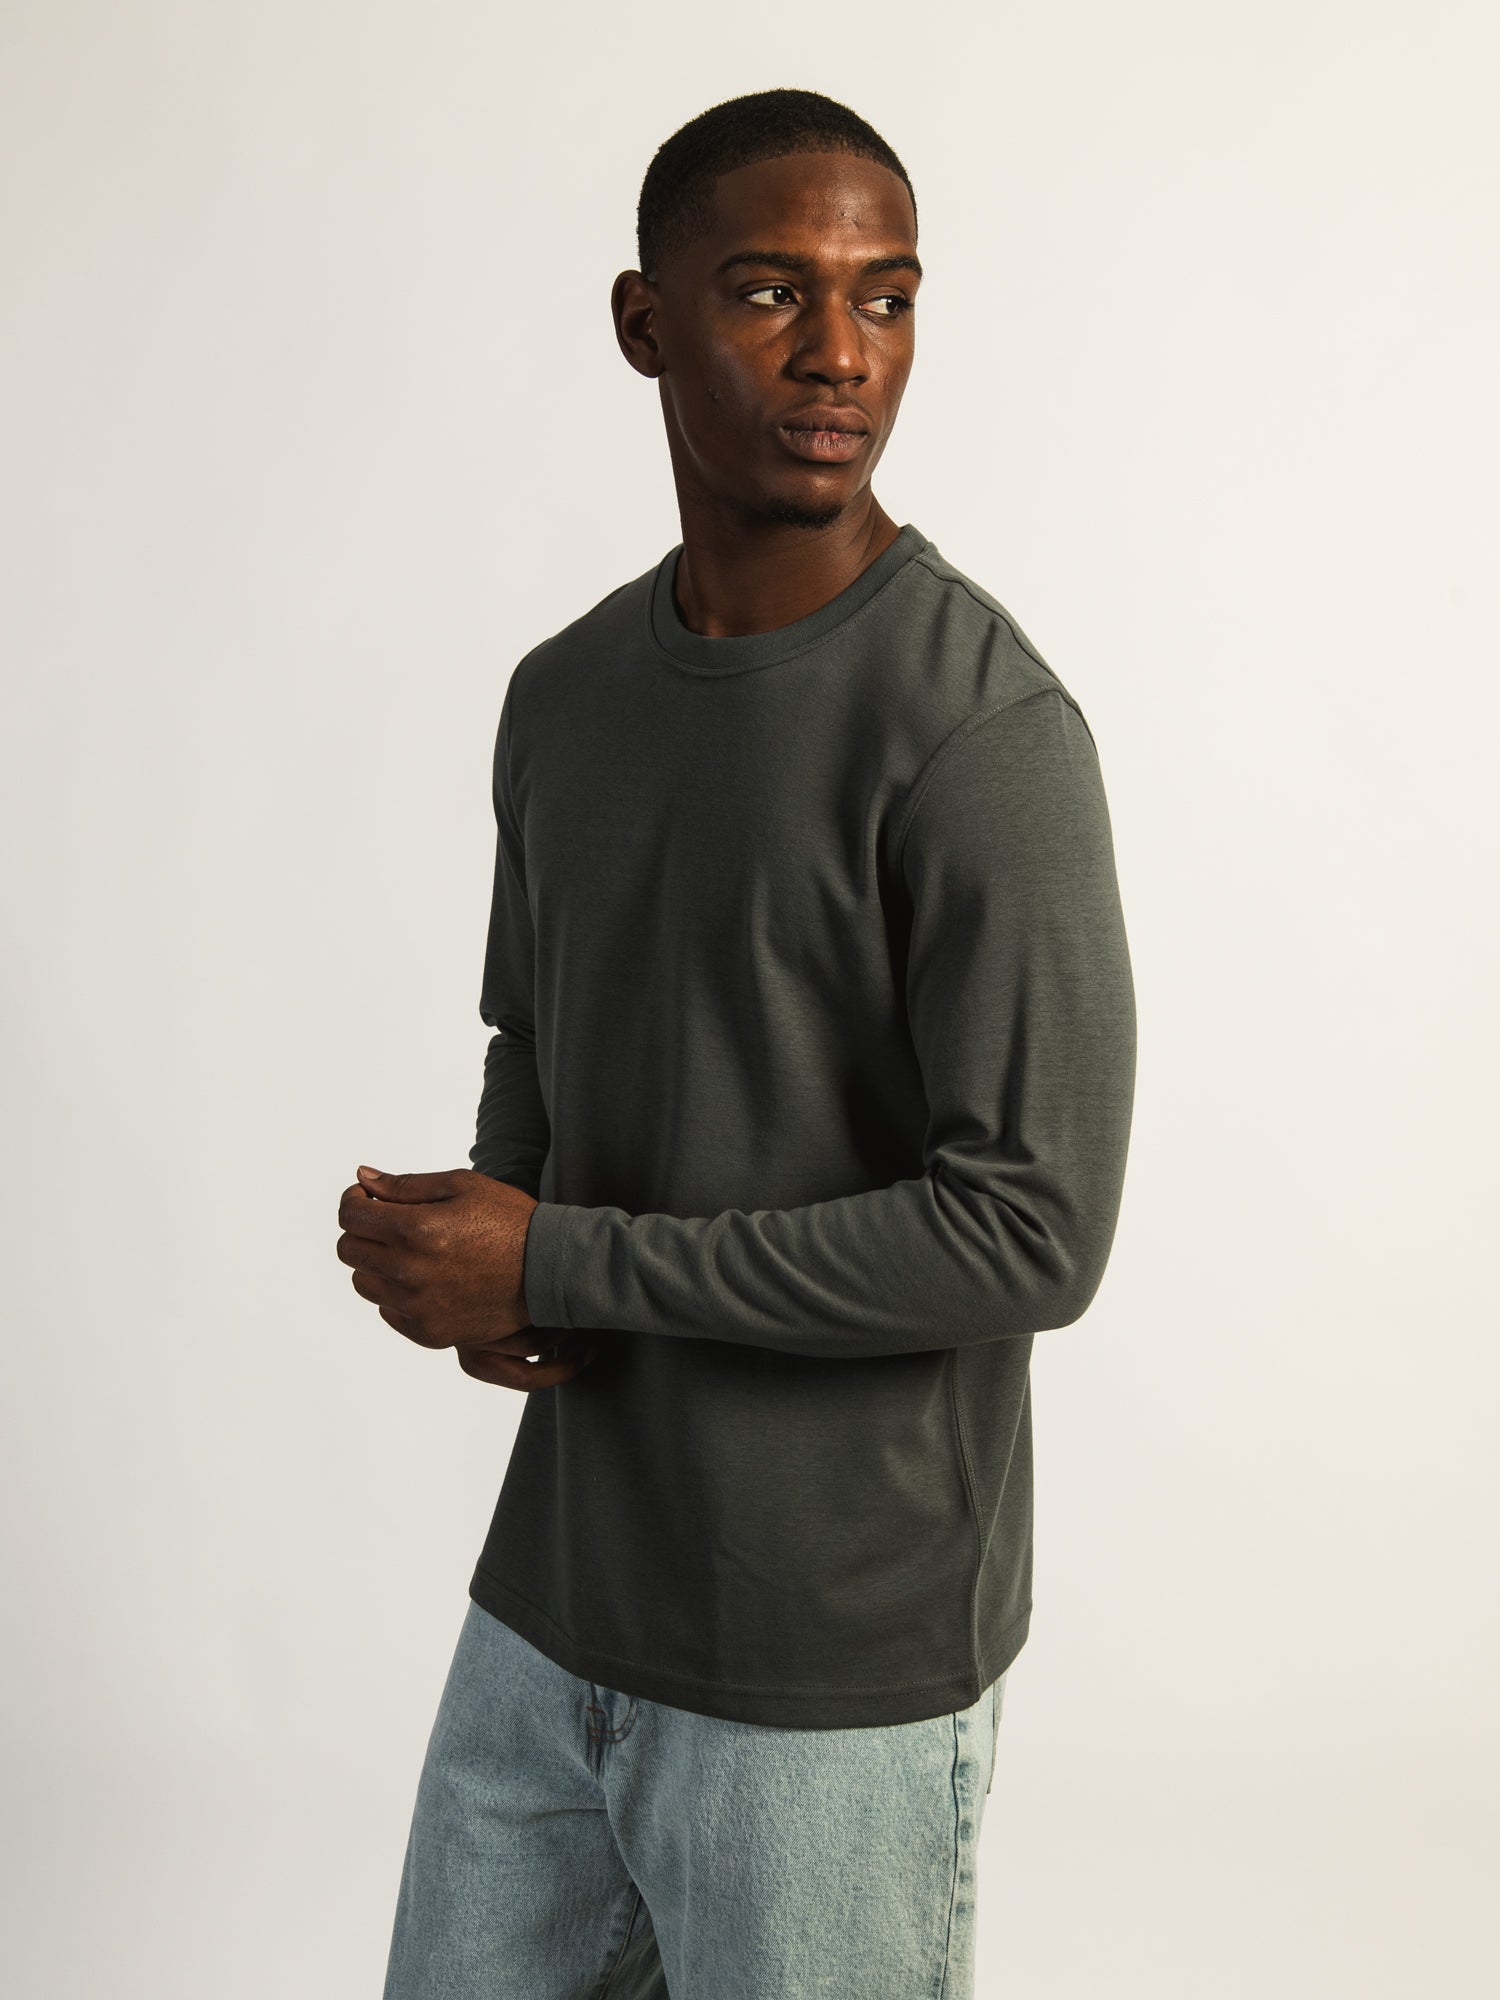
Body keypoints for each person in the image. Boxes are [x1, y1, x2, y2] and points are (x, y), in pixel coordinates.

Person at [337, 86, 1137, 2000]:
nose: (841, 352)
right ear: (645, 321)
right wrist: (487, 1226)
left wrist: (556, 1256)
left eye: (887, 298)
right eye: (774, 291)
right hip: (555, 1598)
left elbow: (1032, 1234)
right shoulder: (564, 696)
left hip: (827, 1666)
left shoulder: (983, 731)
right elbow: (538, 1026)